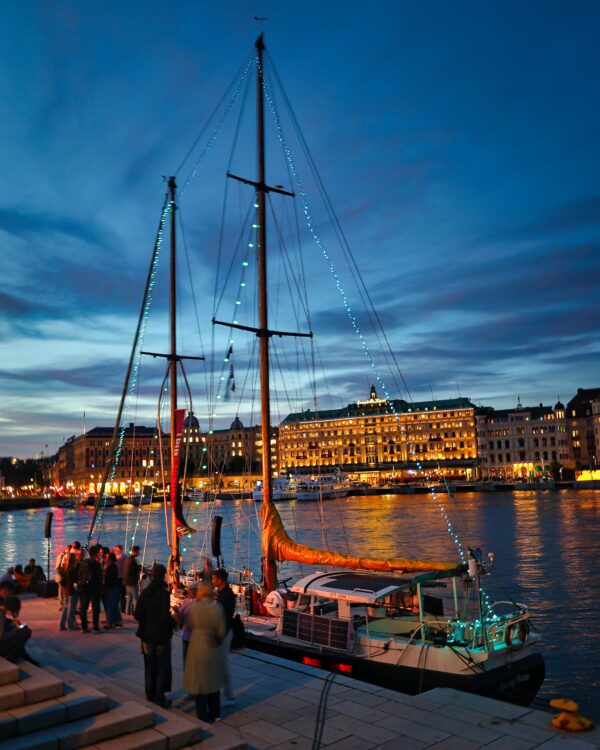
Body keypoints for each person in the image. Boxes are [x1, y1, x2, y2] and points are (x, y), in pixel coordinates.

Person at [184, 580, 226, 723]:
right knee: (212, 679)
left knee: (200, 680)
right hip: (213, 646)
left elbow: (188, 626)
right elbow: (222, 631)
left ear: (201, 592)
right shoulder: (218, 608)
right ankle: (216, 713)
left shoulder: (195, 607)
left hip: (197, 643)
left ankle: (202, 713)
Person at [134, 564, 175, 707]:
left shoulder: (145, 593)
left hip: (146, 635)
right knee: (162, 666)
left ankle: (149, 693)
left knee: (149, 665)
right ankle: (159, 696)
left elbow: (137, 614)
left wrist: (146, 622)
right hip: (161, 636)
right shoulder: (163, 594)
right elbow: (164, 616)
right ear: (163, 575)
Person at [211, 568, 236, 704]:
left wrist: (220, 635)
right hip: (223, 631)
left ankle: (229, 694)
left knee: (223, 663)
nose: (213, 580)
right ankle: (227, 692)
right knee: (221, 663)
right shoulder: (222, 593)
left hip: (224, 633)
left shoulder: (227, 596)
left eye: (214, 578)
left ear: (220, 579)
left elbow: (225, 617)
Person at [173, 582, 199, 668]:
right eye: (188, 591)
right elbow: (181, 619)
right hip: (186, 635)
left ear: (196, 591)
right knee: (186, 660)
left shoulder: (200, 603)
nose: (188, 593)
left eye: (190, 591)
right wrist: (177, 612)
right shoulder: (185, 601)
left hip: (196, 637)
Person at [78, 545, 103, 633]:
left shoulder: (83, 563)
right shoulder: (96, 564)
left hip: (84, 587)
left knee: (84, 608)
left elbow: (80, 575)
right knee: (95, 608)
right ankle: (95, 628)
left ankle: (84, 627)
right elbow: (99, 577)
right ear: (96, 554)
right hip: (94, 588)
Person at [59, 553, 79, 631]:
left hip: (65, 590)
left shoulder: (64, 568)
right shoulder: (73, 569)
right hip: (71, 590)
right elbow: (74, 580)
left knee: (65, 607)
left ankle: (62, 624)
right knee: (71, 608)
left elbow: (62, 580)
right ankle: (71, 625)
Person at [103, 552, 121, 629]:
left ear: (110, 559)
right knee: (114, 605)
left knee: (110, 605)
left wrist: (104, 587)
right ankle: (117, 621)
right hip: (115, 587)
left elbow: (107, 579)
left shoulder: (110, 567)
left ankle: (109, 622)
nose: (106, 559)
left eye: (107, 557)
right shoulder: (115, 567)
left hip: (110, 588)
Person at [124, 546, 141, 615]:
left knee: (129, 599)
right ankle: (136, 614)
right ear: (135, 551)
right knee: (135, 599)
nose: (138, 553)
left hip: (127, 583)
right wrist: (138, 571)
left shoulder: (128, 559)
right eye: (138, 551)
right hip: (132, 583)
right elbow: (134, 571)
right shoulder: (133, 561)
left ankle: (127, 613)